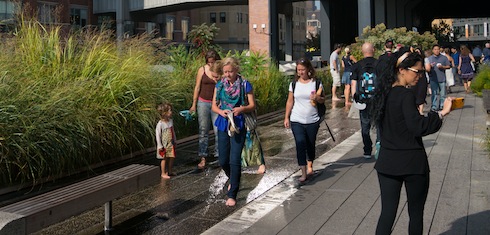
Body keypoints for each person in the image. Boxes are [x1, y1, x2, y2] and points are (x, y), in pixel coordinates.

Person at [369, 47, 453, 235]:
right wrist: (441, 114)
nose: (420, 76)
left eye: (422, 72)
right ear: (402, 70)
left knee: (387, 214)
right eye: (417, 71)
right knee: (415, 213)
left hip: (387, 163)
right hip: (412, 163)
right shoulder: (406, 95)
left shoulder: (383, 94)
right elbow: (417, 126)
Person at [211, 57, 256, 207]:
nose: (228, 75)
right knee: (223, 160)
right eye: (225, 72)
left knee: (234, 158)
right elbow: (214, 106)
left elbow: (252, 105)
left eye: (230, 71)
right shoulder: (220, 85)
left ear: (236, 70)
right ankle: (233, 178)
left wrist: (242, 109)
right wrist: (221, 111)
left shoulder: (245, 84)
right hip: (224, 122)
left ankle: (233, 193)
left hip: (238, 123)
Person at [284, 58, 325, 182]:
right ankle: (303, 172)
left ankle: (310, 163)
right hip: (297, 119)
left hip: (312, 120)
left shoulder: (316, 83)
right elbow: (290, 101)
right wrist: (286, 117)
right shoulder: (294, 84)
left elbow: (322, 100)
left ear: (308, 69)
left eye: (302, 69)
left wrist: (317, 97)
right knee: (300, 143)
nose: (300, 72)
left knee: (310, 143)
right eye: (298, 70)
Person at [190, 50, 221, 169]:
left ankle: (218, 156)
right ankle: (203, 156)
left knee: (218, 130)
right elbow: (197, 87)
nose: (211, 65)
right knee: (203, 130)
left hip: (216, 104)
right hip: (203, 102)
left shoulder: (220, 71)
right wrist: (194, 104)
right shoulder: (202, 70)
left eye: (213, 62)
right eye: (209, 63)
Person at [350, 42, 379, 159]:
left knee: (365, 126)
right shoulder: (379, 64)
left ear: (363, 51)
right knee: (379, 124)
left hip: (363, 100)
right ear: (374, 50)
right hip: (377, 100)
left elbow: (353, 83)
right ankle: (379, 144)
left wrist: (354, 97)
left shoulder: (357, 65)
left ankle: (367, 150)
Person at [156, 102, 177, 179]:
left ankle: (170, 170)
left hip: (170, 143)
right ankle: (163, 172)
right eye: (169, 110)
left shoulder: (170, 121)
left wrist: (175, 140)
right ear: (164, 113)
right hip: (164, 144)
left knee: (172, 156)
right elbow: (158, 135)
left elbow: (173, 131)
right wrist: (159, 145)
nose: (171, 112)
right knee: (164, 158)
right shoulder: (160, 124)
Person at [427, 44, 450, 111]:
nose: (437, 51)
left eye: (438, 49)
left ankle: (442, 105)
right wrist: (430, 66)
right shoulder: (430, 58)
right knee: (434, 93)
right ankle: (434, 106)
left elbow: (448, 66)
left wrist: (443, 67)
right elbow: (426, 68)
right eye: (435, 49)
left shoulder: (444, 58)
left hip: (442, 78)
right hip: (433, 78)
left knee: (442, 94)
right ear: (432, 50)